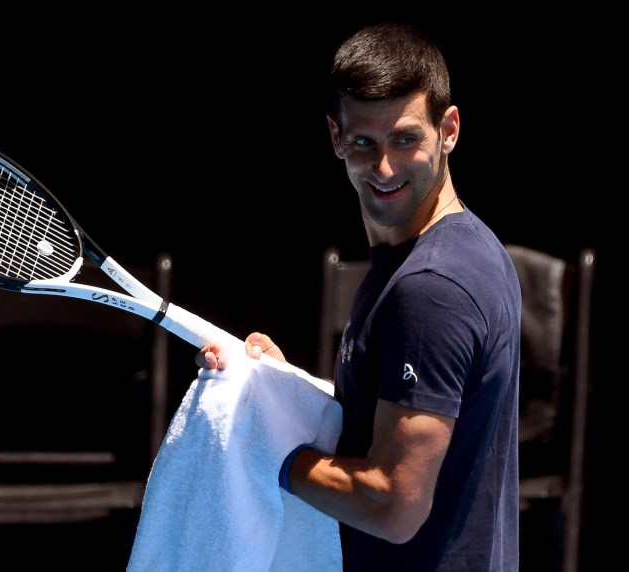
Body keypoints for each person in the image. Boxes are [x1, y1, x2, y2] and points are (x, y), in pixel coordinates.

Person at [196, 21, 521, 571]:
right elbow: (390, 418)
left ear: (450, 129)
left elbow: (393, 504)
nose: (384, 167)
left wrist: (264, 450)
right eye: (364, 143)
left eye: (405, 139)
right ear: (335, 137)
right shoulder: (454, 252)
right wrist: (283, 394)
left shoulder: (430, 288)